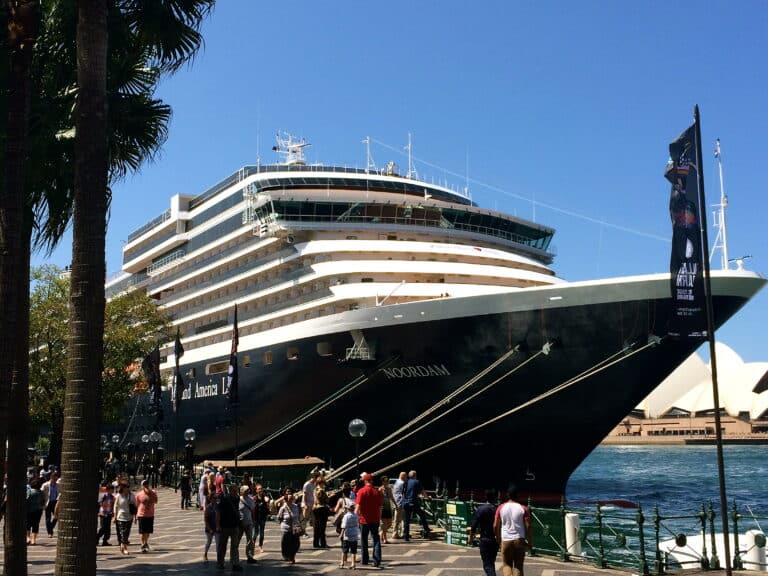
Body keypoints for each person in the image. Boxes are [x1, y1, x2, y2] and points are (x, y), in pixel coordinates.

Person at [494, 483, 532, 576]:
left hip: (506, 539)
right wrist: (530, 541)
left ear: (507, 495)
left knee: (507, 565)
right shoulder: (523, 508)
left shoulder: (500, 508)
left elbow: (495, 525)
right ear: (518, 495)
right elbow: (528, 526)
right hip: (519, 539)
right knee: (518, 566)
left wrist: (498, 538)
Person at [356, 472, 383, 567]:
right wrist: (379, 518)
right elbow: (380, 507)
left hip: (363, 520)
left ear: (365, 481)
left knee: (364, 540)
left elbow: (358, 506)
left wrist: (356, 516)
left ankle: (364, 559)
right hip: (375, 519)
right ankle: (377, 560)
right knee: (376, 539)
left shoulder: (361, 491)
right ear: (371, 481)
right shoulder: (377, 492)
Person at [470, 489, 498, 576]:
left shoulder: (480, 509)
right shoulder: (497, 509)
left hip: (485, 539)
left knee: (487, 564)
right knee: (491, 562)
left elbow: (474, 525)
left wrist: (471, 538)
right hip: (495, 540)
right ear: (495, 498)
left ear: (485, 497)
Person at [216, 484, 243, 571]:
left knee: (235, 546)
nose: (236, 492)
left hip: (234, 526)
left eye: (237, 490)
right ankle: (220, 562)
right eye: (235, 490)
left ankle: (235, 563)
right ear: (230, 490)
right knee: (223, 546)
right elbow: (218, 512)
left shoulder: (237, 498)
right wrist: (218, 525)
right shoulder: (225, 499)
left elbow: (237, 509)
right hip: (224, 526)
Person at [403, 470, 431, 541]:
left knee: (407, 520)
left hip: (406, 502)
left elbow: (404, 492)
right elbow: (422, 491)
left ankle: (406, 536)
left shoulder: (406, 481)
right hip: (414, 502)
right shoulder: (417, 482)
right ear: (415, 475)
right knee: (422, 515)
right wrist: (427, 497)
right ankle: (427, 530)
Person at [276, 487, 301, 564]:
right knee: (286, 544)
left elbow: (299, 516)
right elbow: (279, 517)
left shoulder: (296, 506)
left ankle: (292, 555)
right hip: (286, 529)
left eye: (292, 499)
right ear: (287, 500)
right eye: (290, 499)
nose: (292, 500)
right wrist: (283, 523)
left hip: (295, 529)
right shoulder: (283, 508)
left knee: (296, 544)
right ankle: (289, 557)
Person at [113, 482, 136, 556]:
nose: (128, 488)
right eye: (126, 487)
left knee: (127, 532)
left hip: (129, 516)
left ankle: (122, 545)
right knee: (123, 533)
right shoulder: (118, 496)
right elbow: (115, 506)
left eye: (128, 487)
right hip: (121, 516)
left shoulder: (132, 495)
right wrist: (115, 516)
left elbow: (135, 506)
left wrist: (135, 517)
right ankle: (125, 547)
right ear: (122, 488)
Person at [136, 478, 158, 552]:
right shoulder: (139, 494)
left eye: (147, 484)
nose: (146, 485)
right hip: (141, 514)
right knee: (142, 531)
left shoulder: (153, 492)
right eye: (144, 484)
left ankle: (146, 543)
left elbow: (156, 501)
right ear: (142, 486)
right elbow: (137, 505)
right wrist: (136, 515)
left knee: (148, 531)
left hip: (150, 514)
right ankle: (142, 544)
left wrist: (151, 493)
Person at [238, 485, 257, 564]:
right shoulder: (238, 500)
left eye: (248, 491)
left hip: (249, 522)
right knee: (237, 540)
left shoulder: (251, 500)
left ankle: (249, 556)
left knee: (250, 540)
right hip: (240, 523)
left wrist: (253, 520)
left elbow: (253, 511)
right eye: (246, 491)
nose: (247, 492)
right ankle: (235, 557)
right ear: (242, 492)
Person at [339, 501, 359, 570]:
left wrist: (341, 534)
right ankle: (353, 564)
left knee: (344, 550)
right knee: (353, 551)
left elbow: (344, 526)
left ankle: (342, 562)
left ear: (347, 509)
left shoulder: (346, 516)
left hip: (347, 535)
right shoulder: (356, 515)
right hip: (354, 534)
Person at [26, 476, 45, 545]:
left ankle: (28, 538)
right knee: (35, 525)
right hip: (38, 511)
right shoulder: (41, 492)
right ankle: (33, 540)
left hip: (29, 510)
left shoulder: (29, 491)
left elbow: (27, 500)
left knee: (28, 525)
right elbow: (43, 501)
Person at [97, 481, 116, 546]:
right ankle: (97, 538)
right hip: (103, 514)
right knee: (103, 528)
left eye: (113, 489)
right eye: (111, 489)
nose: (113, 490)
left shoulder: (112, 497)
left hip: (109, 514)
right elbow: (99, 503)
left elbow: (113, 505)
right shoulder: (104, 496)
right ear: (108, 490)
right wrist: (100, 511)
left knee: (108, 528)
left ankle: (105, 541)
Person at [42, 471, 60, 537]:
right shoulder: (45, 485)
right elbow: (42, 493)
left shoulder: (58, 485)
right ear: (51, 478)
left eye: (56, 479)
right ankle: (50, 532)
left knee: (56, 516)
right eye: (54, 479)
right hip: (48, 503)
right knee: (48, 519)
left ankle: (51, 528)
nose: (55, 480)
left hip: (55, 503)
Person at [253, 483, 270, 554]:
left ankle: (260, 546)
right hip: (256, 518)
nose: (260, 490)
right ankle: (252, 545)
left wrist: (267, 501)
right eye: (259, 489)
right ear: (256, 490)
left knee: (262, 533)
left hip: (262, 517)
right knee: (255, 533)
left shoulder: (264, 497)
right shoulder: (254, 498)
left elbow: (268, 501)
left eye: (261, 489)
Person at [202, 490, 218, 563]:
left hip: (217, 528)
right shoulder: (208, 507)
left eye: (216, 498)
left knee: (218, 543)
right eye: (214, 498)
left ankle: (219, 558)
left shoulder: (218, 506)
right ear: (211, 499)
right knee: (209, 542)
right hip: (210, 528)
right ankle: (205, 554)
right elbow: (205, 520)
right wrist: (209, 529)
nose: (215, 499)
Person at [379, 475, 395, 544]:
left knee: (390, 523)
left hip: (388, 507)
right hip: (383, 508)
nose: (387, 482)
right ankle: (385, 539)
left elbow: (391, 497)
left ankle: (381, 533)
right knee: (384, 524)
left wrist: (396, 505)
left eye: (388, 481)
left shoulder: (389, 489)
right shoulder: (380, 489)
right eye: (386, 481)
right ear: (382, 482)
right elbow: (378, 499)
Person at [392, 471, 407, 538]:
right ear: (403, 476)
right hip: (400, 502)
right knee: (403, 518)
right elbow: (404, 493)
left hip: (396, 502)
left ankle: (395, 533)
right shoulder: (402, 483)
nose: (407, 477)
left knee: (396, 519)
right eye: (406, 476)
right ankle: (402, 533)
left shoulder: (397, 482)